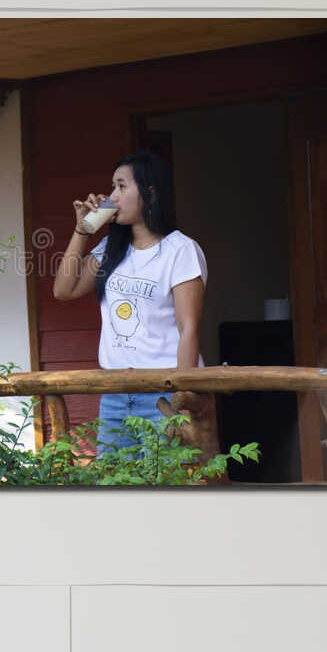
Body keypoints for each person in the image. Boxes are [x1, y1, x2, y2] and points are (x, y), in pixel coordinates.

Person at [50, 149, 207, 453]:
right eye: (112, 187)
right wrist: (82, 230)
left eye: (122, 186)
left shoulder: (180, 250)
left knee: (165, 489)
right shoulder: (111, 247)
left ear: (150, 193)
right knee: (112, 486)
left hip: (162, 395)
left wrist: (183, 402)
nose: (112, 196)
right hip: (115, 394)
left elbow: (188, 329)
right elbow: (64, 290)